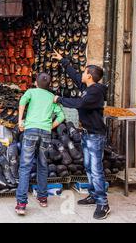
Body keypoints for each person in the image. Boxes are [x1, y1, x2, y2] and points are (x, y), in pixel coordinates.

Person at [52, 50, 110, 220]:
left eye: (85, 71)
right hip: (87, 134)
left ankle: (103, 203)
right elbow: (76, 78)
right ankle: (93, 195)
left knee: (96, 170)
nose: (82, 74)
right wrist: (64, 61)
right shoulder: (89, 88)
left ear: (90, 76)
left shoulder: (96, 92)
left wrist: (59, 99)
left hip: (95, 136)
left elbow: (80, 104)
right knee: (89, 167)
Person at [15, 73, 65, 216]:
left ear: (36, 83)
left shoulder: (30, 92)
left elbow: (22, 102)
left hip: (30, 130)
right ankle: (43, 198)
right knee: (42, 166)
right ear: (49, 85)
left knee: (25, 166)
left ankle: (21, 204)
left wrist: (20, 121)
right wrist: (50, 126)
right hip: (45, 133)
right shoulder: (51, 97)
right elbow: (62, 116)